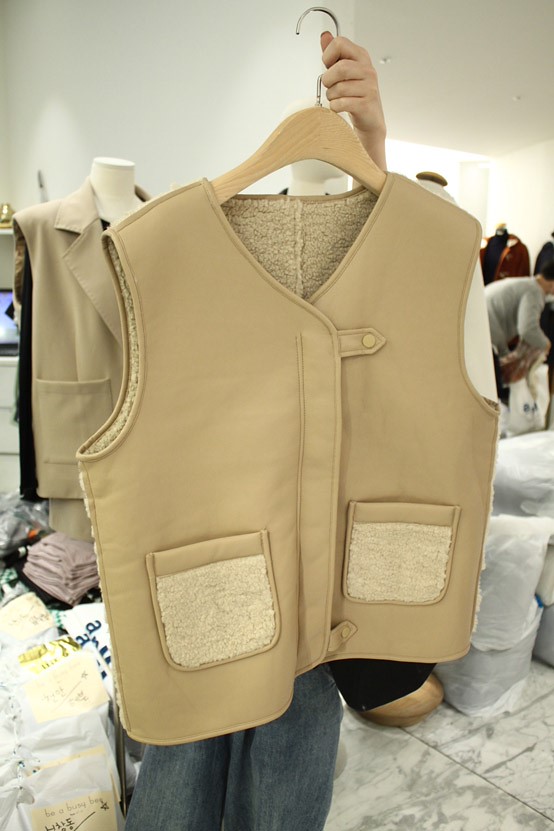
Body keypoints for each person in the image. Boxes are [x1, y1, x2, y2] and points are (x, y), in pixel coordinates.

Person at [124, 32, 387, 831]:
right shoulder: (168, 245)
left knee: (285, 738)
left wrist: (373, 147)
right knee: (194, 748)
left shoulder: (412, 239)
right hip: (206, 554)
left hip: (318, 573)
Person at [485, 261, 554, 396]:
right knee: (496, 390)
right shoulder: (534, 292)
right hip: (487, 333)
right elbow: (527, 329)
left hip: (483, 328)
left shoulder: (527, 284)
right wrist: (546, 344)